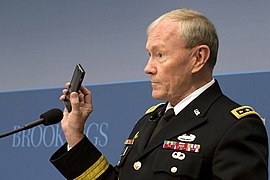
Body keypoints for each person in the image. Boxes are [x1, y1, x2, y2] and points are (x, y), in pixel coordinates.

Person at [50, 8, 268, 179]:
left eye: (160, 55)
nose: (148, 67)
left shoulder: (235, 127)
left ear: (198, 58)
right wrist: (75, 135)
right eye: (149, 55)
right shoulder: (150, 120)